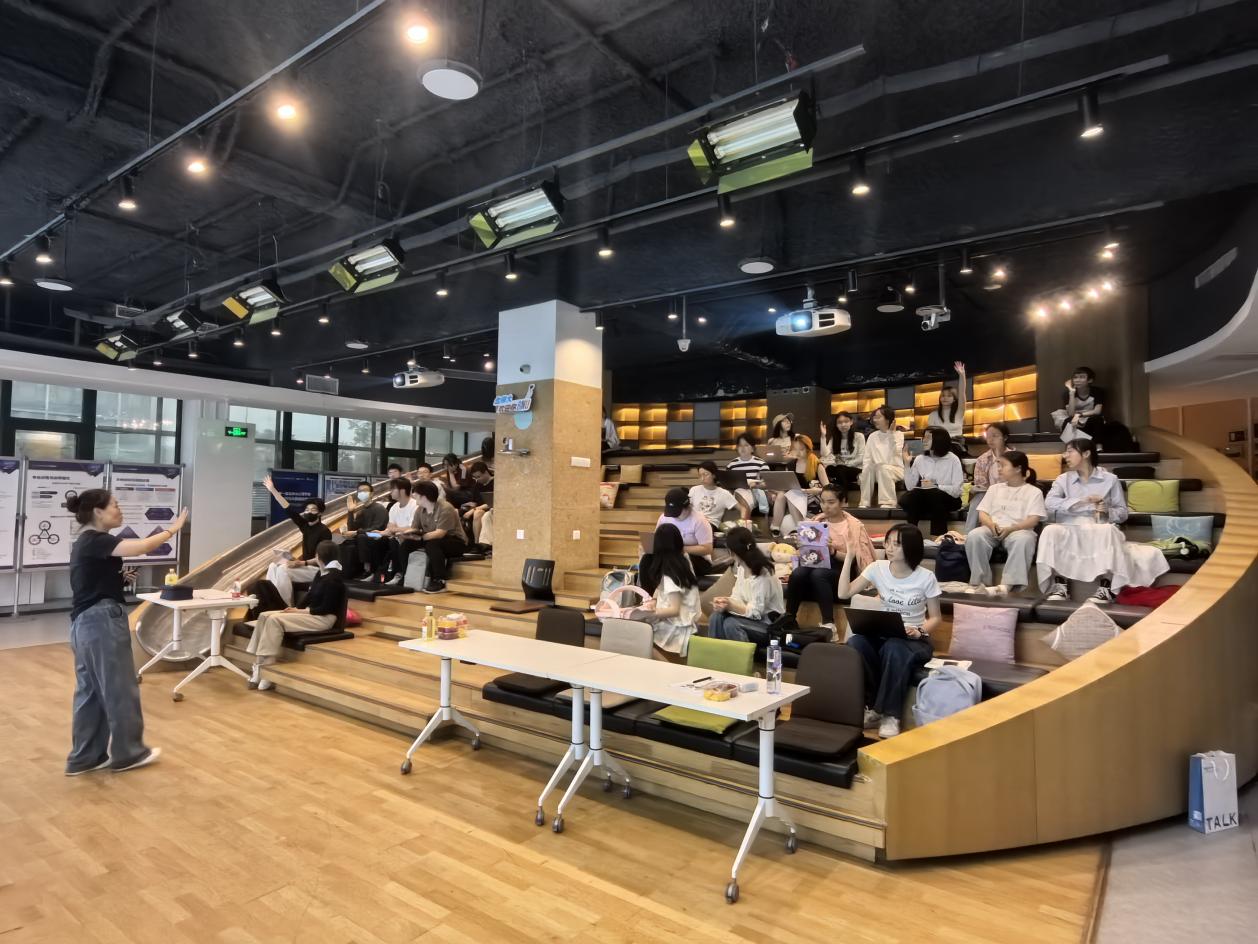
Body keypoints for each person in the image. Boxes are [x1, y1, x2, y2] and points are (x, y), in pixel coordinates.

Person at [63, 491, 189, 775]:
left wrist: (118, 579)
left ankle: (85, 757)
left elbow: (91, 581)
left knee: (91, 692)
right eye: (115, 506)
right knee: (119, 688)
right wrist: (173, 529)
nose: (119, 510)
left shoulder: (87, 542)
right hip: (101, 622)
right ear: (98, 512)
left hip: (85, 623)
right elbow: (141, 546)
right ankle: (129, 752)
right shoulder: (96, 539)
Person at [838, 523, 942, 739]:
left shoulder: (926, 577)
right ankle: (873, 709)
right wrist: (849, 557)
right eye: (888, 542)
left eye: (897, 544)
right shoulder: (877, 568)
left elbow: (936, 618)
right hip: (884, 635)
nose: (889, 548)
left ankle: (890, 715)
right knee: (856, 642)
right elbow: (843, 593)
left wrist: (919, 630)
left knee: (894, 647)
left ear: (911, 547)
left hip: (915, 640)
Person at [1037, 438, 1166, 603]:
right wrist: (1083, 502)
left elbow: (1122, 513)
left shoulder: (1110, 479)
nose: (1065, 456)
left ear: (1086, 453)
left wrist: (1106, 511)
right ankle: (1061, 585)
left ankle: (1106, 587)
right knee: (1050, 530)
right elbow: (1049, 503)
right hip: (1069, 526)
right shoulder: (1063, 479)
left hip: (1098, 526)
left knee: (1107, 530)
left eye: (1070, 451)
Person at [246, 540, 346, 691]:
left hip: (322, 619)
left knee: (274, 620)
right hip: (311, 613)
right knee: (264, 616)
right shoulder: (321, 573)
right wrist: (294, 608)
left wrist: (299, 611)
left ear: (318, 556)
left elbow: (325, 609)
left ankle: (268, 667)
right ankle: (259, 663)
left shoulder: (334, 578)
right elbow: (310, 595)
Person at [783, 484, 875, 638]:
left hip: (843, 570)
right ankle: (789, 619)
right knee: (798, 573)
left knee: (819, 574)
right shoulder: (816, 522)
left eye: (831, 502)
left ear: (843, 502)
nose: (826, 506)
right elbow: (808, 556)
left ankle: (829, 625)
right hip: (816, 566)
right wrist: (803, 546)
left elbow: (854, 559)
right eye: (823, 502)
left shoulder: (853, 526)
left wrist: (833, 551)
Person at [965, 450, 1044, 591]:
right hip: (992, 528)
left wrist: (1012, 528)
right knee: (974, 535)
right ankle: (979, 582)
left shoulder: (1034, 492)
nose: (999, 469)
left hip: (1019, 530)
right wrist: (990, 524)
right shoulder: (994, 489)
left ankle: (1008, 585)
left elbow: (1034, 519)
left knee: (1024, 540)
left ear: (1018, 468)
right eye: (999, 465)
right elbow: (982, 513)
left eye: (1003, 465)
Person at [261, 475, 331, 604]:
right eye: (307, 509)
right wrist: (273, 490)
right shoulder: (305, 526)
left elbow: (321, 559)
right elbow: (288, 509)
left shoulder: (324, 531)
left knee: (283, 570)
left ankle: (286, 605)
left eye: (313, 510)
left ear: (320, 513)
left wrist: (301, 563)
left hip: (318, 570)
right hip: (305, 566)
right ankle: (271, 600)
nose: (309, 512)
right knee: (273, 566)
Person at [708, 527, 784, 646]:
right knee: (716, 616)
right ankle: (716, 653)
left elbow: (756, 613)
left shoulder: (763, 575)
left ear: (732, 552)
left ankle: (741, 656)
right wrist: (725, 602)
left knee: (731, 624)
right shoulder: (742, 569)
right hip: (750, 620)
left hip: (769, 625)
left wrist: (731, 606)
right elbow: (737, 597)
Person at [639, 523, 701, 658]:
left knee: (639, 636)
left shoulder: (671, 576)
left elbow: (674, 610)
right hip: (681, 620)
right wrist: (654, 600)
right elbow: (661, 590)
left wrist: (650, 613)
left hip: (678, 626)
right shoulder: (682, 561)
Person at [898, 426, 964, 536]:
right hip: (926, 499)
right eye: (923, 437)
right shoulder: (920, 459)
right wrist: (907, 464)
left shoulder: (953, 459)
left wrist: (936, 486)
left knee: (934, 494)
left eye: (928, 438)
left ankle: (938, 537)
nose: (923, 440)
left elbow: (957, 491)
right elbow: (910, 487)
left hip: (949, 499)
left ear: (939, 440)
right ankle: (911, 535)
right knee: (914, 495)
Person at [411, 480, 468, 593]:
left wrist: (421, 538)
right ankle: (403, 575)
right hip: (431, 538)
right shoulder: (420, 509)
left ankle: (440, 579)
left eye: (416, 495)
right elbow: (415, 528)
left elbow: (440, 533)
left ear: (424, 497)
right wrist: (407, 534)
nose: (414, 497)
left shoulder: (445, 508)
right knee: (405, 544)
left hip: (455, 542)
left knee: (432, 544)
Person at [771, 434, 830, 535]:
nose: (798, 453)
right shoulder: (791, 465)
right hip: (796, 496)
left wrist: (814, 490)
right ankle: (775, 527)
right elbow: (786, 485)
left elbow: (828, 489)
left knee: (791, 494)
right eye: (795, 449)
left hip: (812, 496)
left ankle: (800, 527)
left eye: (801, 449)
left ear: (808, 449)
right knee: (782, 494)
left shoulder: (816, 465)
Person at [651, 487, 714, 578]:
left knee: (673, 560)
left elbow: (707, 549)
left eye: (677, 513)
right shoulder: (664, 518)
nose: (674, 516)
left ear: (687, 507)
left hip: (697, 559)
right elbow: (656, 537)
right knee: (649, 559)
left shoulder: (699, 521)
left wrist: (679, 549)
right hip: (670, 555)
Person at [859, 404, 906, 509]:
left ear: (888, 419)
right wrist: (865, 472)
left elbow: (894, 454)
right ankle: (864, 502)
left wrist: (890, 435)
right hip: (876, 470)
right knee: (868, 467)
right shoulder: (872, 436)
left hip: (895, 469)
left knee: (883, 467)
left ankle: (889, 502)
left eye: (878, 417)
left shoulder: (898, 435)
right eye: (874, 417)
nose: (875, 420)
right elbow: (867, 458)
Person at [967, 421, 1009, 529]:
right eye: (988, 436)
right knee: (978, 498)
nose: (990, 439)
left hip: (1011, 494)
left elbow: (1018, 481)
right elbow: (981, 485)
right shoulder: (982, 459)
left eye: (995, 436)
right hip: (988, 495)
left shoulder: (1015, 457)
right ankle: (968, 534)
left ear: (1005, 437)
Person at [344, 481, 389, 579]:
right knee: (348, 540)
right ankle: (350, 571)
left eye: (364, 491)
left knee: (361, 536)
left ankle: (368, 570)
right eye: (359, 491)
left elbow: (377, 528)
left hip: (380, 535)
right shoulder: (362, 511)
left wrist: (357, 532)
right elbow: (352, 529)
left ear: (371, 494)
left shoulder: (379, 508)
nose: (362, 493)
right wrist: (350, 512)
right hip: (366, 535)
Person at [383, 478, 422, 584]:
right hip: (398, 536)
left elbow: (412, 527)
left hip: (413, 537)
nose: (390, 491)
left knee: (396, 542)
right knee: (380, 541)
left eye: (393, 489)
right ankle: (381, 574)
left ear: (402, 491)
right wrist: (396, 530)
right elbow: (390, 526)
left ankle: (402, 574)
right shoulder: (394, 507)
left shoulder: (415, 505)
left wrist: (396, 530)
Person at [727, 432, 771, 518]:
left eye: (746, 445)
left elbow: (767, 483)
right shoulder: (732, 464)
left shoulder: (761, 463)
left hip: (755, 492)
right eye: (740, 445)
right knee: (739, 491)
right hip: (737, 492)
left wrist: (756, 485)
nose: (743, 448)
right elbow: (728, 483)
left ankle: (745, 521)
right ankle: (746, 521)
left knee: (745, 495)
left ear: (752, 448)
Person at [1055, 366, 1106, 440]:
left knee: (1097, 419)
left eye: (1082, 377)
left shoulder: (1097, 391)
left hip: (1090, 416)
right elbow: (1071, 414)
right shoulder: (1067, 394)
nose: (1077, 380)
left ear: (1090, 380)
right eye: (1075, 377)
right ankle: (1072, 444)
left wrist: (1079, 415)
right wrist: (1072, 392)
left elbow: (1097, 411)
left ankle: (1098, 444)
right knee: (1068, 421)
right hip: (1074, 417)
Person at [927, 361, 968, 446]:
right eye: (943, 395)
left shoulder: (959, 412)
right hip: (939, 446)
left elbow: (962, 393)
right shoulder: (933, 415)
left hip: (957, 445)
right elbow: (929, 435)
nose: (945, 398)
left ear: (954, 399)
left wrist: (962, 375)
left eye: (949, 396)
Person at [689, 460, 740, 528]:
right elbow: (688, 508)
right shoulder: (694, 490)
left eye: (705, 475)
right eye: (700, 475)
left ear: (714, 475)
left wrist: (743, 522)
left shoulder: (724, 493)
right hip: (694, 523)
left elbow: (742, 509)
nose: (702, 478)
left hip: (711, 524)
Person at [824, 411, 865, 496]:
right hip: (841, 469)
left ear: (851, 422)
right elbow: (825, 454)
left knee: (840, 469)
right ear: (836, 425)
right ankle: (852, 486)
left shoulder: (859, 436)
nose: (843, 424)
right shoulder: (834, 438)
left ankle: (843, 497)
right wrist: (823, 437)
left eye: (846, 421)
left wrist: (845, 464)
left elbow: (861, 457)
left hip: (856, 468)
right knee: (828, 469)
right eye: (839, 422)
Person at [461, 460, 495, 544]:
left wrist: (473, 510)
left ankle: (477, 543)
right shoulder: (478, 484)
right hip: (478, 507)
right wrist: (469, 505)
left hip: (489, 508)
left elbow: (492, 503)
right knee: (457, 511)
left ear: (486, 472)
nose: (477, 480)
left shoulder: (495, 482)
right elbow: (475, 501)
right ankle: (465, 542)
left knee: (478, 513)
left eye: (479, 477)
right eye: (475, 477)